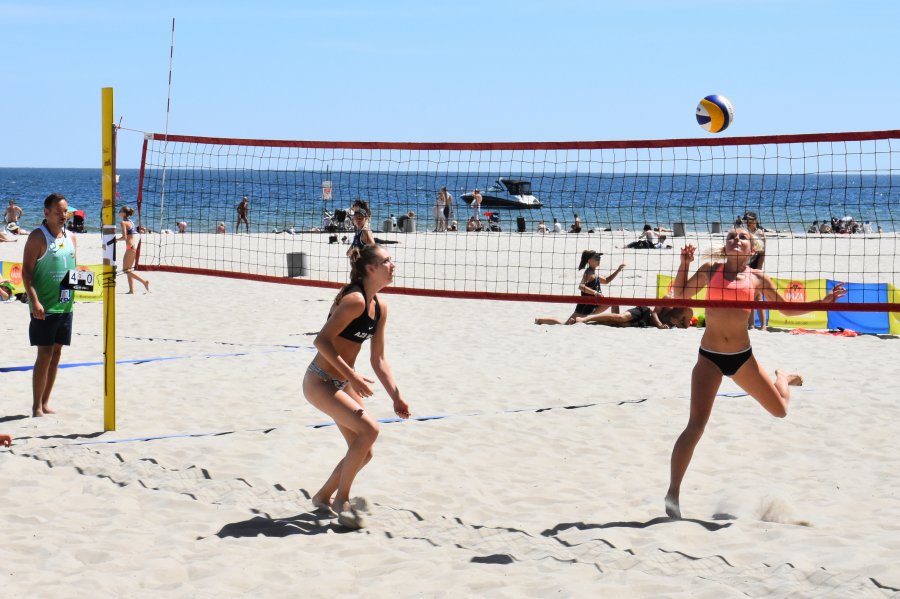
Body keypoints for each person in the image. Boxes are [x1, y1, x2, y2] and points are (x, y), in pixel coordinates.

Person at [663, 227, 847, 519]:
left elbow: (786, 311)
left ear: (752, 250)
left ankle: (782, 377)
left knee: (781, 411)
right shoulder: (711, 270)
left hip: (741, 358)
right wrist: (685, 263)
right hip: (709, 358)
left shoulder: (758, 278)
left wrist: (823, 303)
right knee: (695, 426)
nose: (736, 239)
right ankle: (673, 494)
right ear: (726, 247)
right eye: (731, 237)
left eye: (742, 237)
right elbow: (680, 295)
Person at [303, 244, 411, 528]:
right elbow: (321, 341)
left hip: (341, 380)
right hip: (320, 380)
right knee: (370, 430)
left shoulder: (379, 307)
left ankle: (323, 496)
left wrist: (396, 396)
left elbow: (379, 360)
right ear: (371, 269)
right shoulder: (355, 301)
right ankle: (342, 500)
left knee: (365, 449)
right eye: (387, 261)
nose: (393, 265)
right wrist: (351, 375)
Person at [22, 193, 78, 417]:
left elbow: (74, 270)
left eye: (66, 211)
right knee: (44, 354)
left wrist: (85, 282)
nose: (64, 215)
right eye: (59, 212)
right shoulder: (37, 237)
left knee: (56, 354)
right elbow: (26, 271)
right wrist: (34, 301)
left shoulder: (72, 237)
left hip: (65, 305)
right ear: (47, 213)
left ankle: (45, 403)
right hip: (43, 306)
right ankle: (36, 406)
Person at [535, 250, 625, 325]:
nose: (599, 259)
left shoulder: (594, 273)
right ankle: (540, 320)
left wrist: (618, 270)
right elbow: (581, 286)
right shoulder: (588, 273)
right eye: (596, 258)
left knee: (614, 302)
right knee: (565, 324)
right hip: (584, 307)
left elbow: (606, 280)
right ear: (589, 260)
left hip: (594, 306)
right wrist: (595, 293)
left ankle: (616, 321)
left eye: (599, 258)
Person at [115, 206, 150, 294]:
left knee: (126, 270)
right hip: (133, 247)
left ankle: (144, 282)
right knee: (128, 269)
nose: (118, 212)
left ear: (124, 213)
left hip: (130, 248)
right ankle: (131, 290)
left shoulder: (123, 222)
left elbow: (124, 237)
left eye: (120, 210)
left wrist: (116, 240)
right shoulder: (131, 222)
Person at [742, 211, 767, 329]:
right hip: (745, 266)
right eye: (746, 220)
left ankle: (763, 326)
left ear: (755, 221)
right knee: (748, 296)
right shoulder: (745, 232)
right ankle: (751, 324)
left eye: (750, 220)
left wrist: (758, 270)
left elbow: (762, 254)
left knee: (758, 297)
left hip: (756, 266)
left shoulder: (760, 233)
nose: (747, 222)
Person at [575, 306, 693, 329]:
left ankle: (590, 323)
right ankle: (586, 318)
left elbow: (686, 326)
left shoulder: (688, 311)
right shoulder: (669, 298)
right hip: (645, 312)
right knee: (620, 318)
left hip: (646, 324)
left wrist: (677, 323)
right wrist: (659, 325)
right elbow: (655, 313)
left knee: (618, 324)